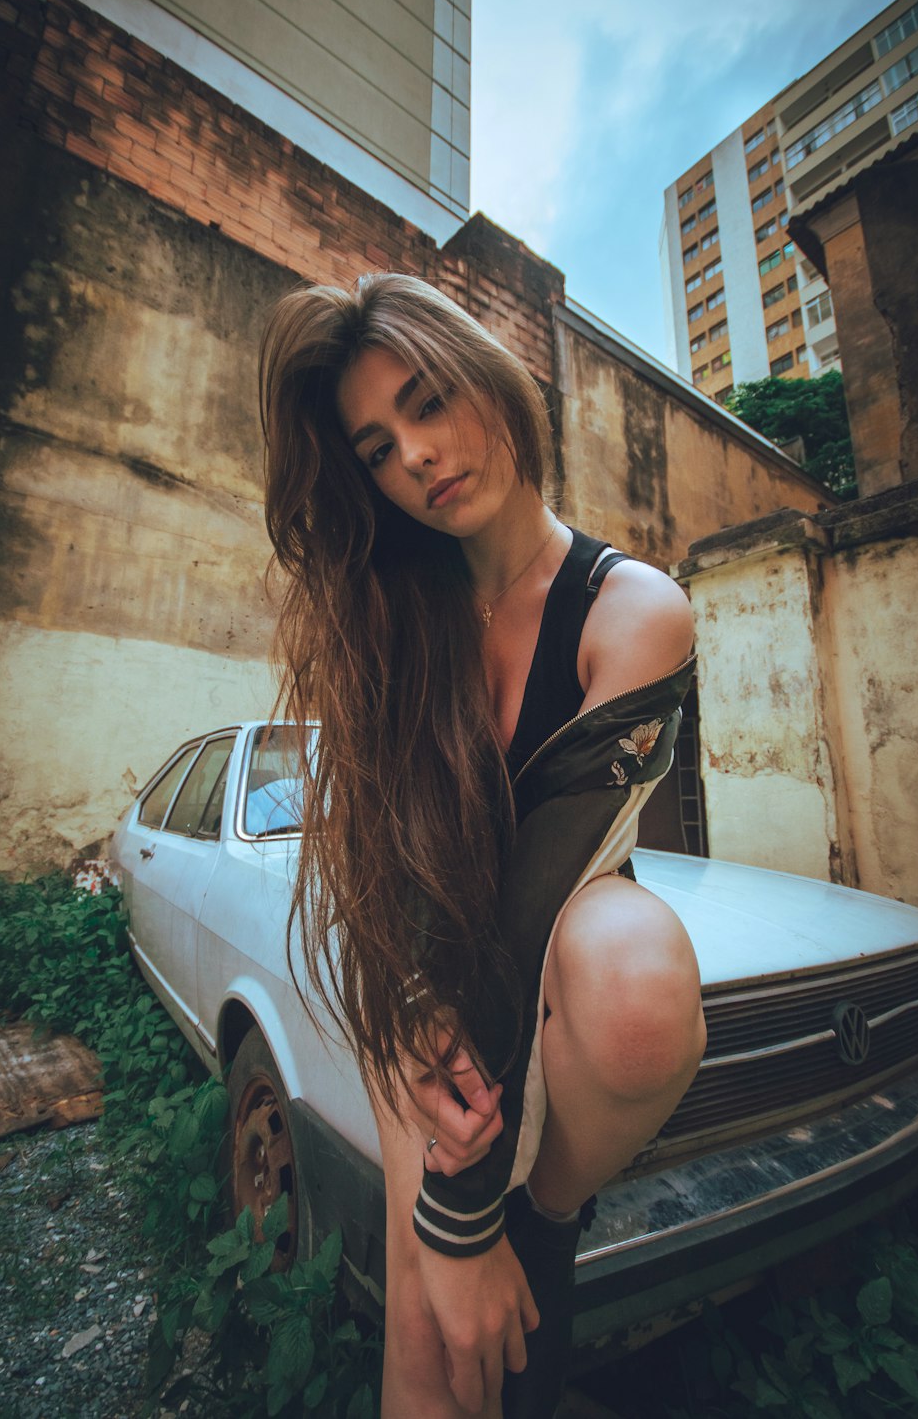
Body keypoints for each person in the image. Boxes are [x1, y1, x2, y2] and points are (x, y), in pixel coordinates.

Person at [260, 273, 707, 1419]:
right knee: (427, 1334)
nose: (414, 453)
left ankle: (544, 1217)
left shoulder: (631, 611)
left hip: (549, 953)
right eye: (375, 446)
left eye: (428, 400)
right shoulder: (390, 615)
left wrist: (471, 1215)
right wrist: (406, 1016)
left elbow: (528, 901)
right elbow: (378, 871)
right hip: (416, 970)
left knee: (630, 974)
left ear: (487, 379)